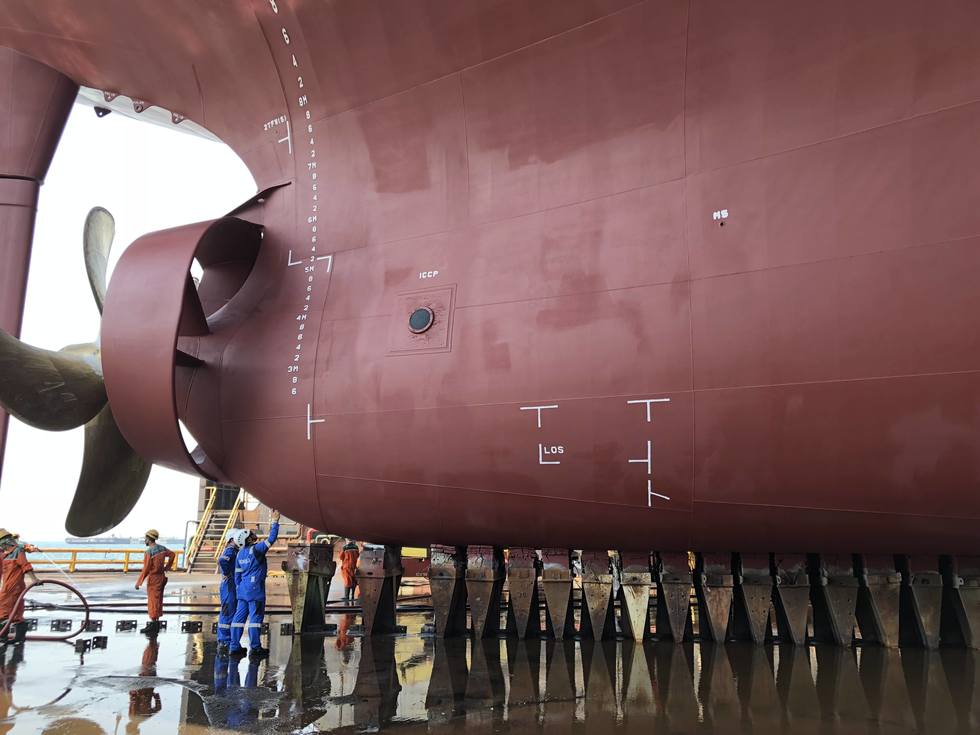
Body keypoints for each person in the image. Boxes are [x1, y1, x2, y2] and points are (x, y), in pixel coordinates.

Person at [229, 511, 280, 660]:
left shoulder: (240, 554)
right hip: (255, 591)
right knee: (255, 620)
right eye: (250, 534)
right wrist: (275, 522)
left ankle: (234, 647)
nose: (253, 536)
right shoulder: (256, 550)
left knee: (238, 619)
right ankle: (256, 648)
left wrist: (241, 587)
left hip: (243, 591)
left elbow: (237, 575)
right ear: (246, 538)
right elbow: (272, 538)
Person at [135, 529, 176, 636]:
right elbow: (172, 554)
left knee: (153, 600)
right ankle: (156, 623)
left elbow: (146, 568)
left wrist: (139, 582)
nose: (145, 540)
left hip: (154, 579)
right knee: (158, 600)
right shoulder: (162, 549)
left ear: (149, 539)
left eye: (145, 538)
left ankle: (153, 624)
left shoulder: (149, 552)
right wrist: (167, 566)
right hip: (161, 577)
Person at [0, 530, 38, 645]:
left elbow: (25, 566)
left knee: (3, 611)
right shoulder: (5, 554)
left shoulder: (17, 551)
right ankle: (14, 637)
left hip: (14, 587)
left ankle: (4, 636)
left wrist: (34, 579)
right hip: (7, 586)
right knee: (15, 611)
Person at [216, 529, 244, 657]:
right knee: (227, 611)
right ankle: (224, 641)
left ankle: (227, 641)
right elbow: (222, 560)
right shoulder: (231, 550)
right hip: (229, 585)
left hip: (232, 584)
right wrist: (227, 573)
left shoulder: (235, 550)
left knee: (231, 611)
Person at [339, 539, 359, 604]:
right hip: (354, 566)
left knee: (347, 581)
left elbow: (341, 557)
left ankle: (346, 597)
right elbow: (358, 555)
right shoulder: (356, 547)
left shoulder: (345, 547)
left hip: (347, 566)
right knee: (353, 581)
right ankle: (352, 596)